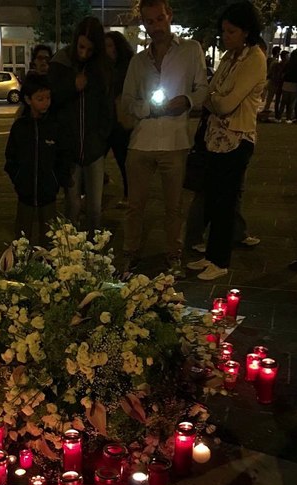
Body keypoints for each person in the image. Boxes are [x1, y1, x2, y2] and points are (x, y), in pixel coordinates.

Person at [119, 0, 209, 278]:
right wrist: (148, 108)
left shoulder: (191, 50)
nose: (155, 27)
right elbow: (127, 100)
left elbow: (203, 88)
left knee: (174, 206)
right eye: (149, 21)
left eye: (159, 19)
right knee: (135, 206)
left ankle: (174, 254)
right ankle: (130, 253)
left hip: (174, 141)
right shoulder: (138, 60)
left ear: (169, 16)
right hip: (142, 142)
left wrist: (187, 100)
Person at [185, 1, 267, 280]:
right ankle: (210, 255)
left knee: (225, 201)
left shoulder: (254, 58)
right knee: (212, 198)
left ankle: (220, 261)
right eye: (224, 31)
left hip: (237, 139)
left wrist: (216, 99)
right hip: (215, 138)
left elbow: (225, 103)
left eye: (231, 31)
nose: (225, 36)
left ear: (246, 31)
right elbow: (210, 93)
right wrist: (215, 98)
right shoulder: (230, 57)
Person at [48, 17, 114, 238]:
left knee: (95, 207)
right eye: (81, 47)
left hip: (94, 148)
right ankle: (69, 252)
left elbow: (106, 108)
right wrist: (72, 86)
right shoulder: (61, 62)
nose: (84, 53)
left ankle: (93, 253)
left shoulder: (102, 68)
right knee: (72, 205)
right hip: (70, 148)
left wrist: (101, 138)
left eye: (90, 49)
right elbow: (51, 99)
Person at [5, 75, 71, 243]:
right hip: (25, 193)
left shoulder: (54, 126)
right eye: (40, 99)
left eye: (48, 98)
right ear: (28, 99)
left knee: (49, 237)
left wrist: (58, 180)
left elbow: (62, 156)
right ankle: (22, 265)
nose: (45, 102)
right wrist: (18, 179)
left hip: (48, 193)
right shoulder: (20, 127)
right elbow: (11, 157)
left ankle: (47, 266)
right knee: (22, 237)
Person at [105, 31, 135, 210]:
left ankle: (129, 193)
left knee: (123, 159)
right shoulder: (103, 66)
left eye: (110, 45)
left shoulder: (127, 67)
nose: (107, 49)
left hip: (120, 120)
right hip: (106, 119)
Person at [279, 47, 297, 124]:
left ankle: (279, 117)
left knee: (283, 102)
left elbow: (283, 73)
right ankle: (288, 118)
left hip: (286, 83)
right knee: (292, 103)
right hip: (295, 85)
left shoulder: (288, 63)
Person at [259, 46, 283, 120]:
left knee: (267, 98)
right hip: (272, 82)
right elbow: (274, 73)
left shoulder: (268, 60)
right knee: (270, 98)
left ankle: (265, 111)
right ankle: (265, 113)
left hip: (267, 80)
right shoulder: (275, 62)